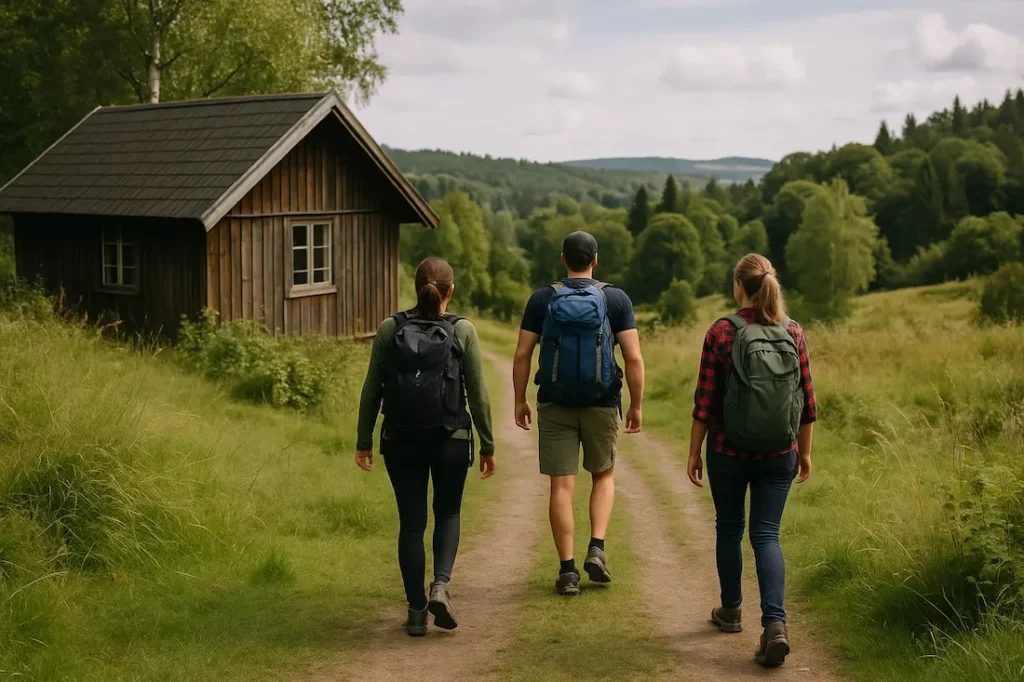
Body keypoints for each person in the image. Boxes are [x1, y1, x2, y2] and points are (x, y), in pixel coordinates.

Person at [686, 253, 817, 668]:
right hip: (780, 452)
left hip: (728, 450)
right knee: (767, 535)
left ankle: (730, 611)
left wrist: (693, 451)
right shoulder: (793, 330)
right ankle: (775, 625)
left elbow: (705, 402)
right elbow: (808, 403)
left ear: (738, 287)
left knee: (729, 528)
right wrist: (805, 451)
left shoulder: (722, 332)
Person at [356, 257, 496, 637]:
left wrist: (364, 440)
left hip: (400, 439)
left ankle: (416, 612)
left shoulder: (390, 328)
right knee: (448, 513)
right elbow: (478, 395)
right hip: (451, 438)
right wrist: (487, 444)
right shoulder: (462, 330)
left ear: (416, 287)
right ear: (450, 290)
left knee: (412, 523)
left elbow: (372, 389)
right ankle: (441, 586)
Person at [513, 230, 645, 596]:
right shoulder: (615, 299)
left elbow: (523, 354)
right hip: (601, 401)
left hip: (555, 402)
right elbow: (633, 357)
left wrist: (519, 398)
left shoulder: (542, 299)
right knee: (603, 476)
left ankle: (568, 571)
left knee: (561, 485)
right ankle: (597, 548)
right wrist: (636, 404)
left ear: (563, 260)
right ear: (595, 260)